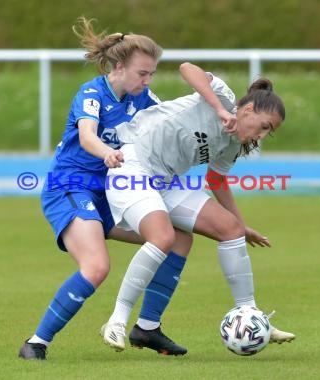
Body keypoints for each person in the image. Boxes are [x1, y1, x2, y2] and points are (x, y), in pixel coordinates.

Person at [18, 17, 194, 360]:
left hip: (110, 193)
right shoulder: (92, 93)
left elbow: (174, 124)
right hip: (70, 187)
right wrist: (108, 152)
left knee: (177, 237)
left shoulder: (143, 98)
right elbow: (87, 137)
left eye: (152, 73)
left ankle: (148, 327)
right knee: (97, 267)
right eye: (142, 73)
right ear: (118, 67)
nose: (148, 80)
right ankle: (36, 343)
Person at [101, 62, 296, 352]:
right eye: (265, 126)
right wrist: (218, 108)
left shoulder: (233, 145)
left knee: (229, 230)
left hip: (165, 181)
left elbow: (216, 180)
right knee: (163, 237)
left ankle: (249, 316)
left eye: (271, 132)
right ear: (248, 110)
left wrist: (241, 226)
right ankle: (117, 320)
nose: (263, 136)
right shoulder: (223, 97)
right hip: (132, 168)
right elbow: (187, 68)